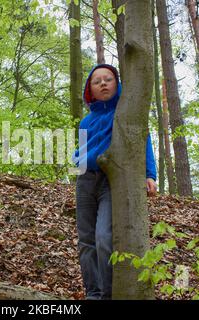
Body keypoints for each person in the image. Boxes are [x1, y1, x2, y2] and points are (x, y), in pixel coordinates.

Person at [73, 64, 157, 300]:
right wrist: (76, 161)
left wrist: (149, 174)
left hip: (112, 180)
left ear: (117, 84)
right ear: (90, 89)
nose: (103, 83)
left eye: (108, 79)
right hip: (85, 182)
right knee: (85, 240)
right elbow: (79, 149)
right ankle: (93, 294)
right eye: (97, 81)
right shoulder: (85, 122)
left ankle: (109, 295)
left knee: (103, 238)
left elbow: (144, 140)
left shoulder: (124, 112)